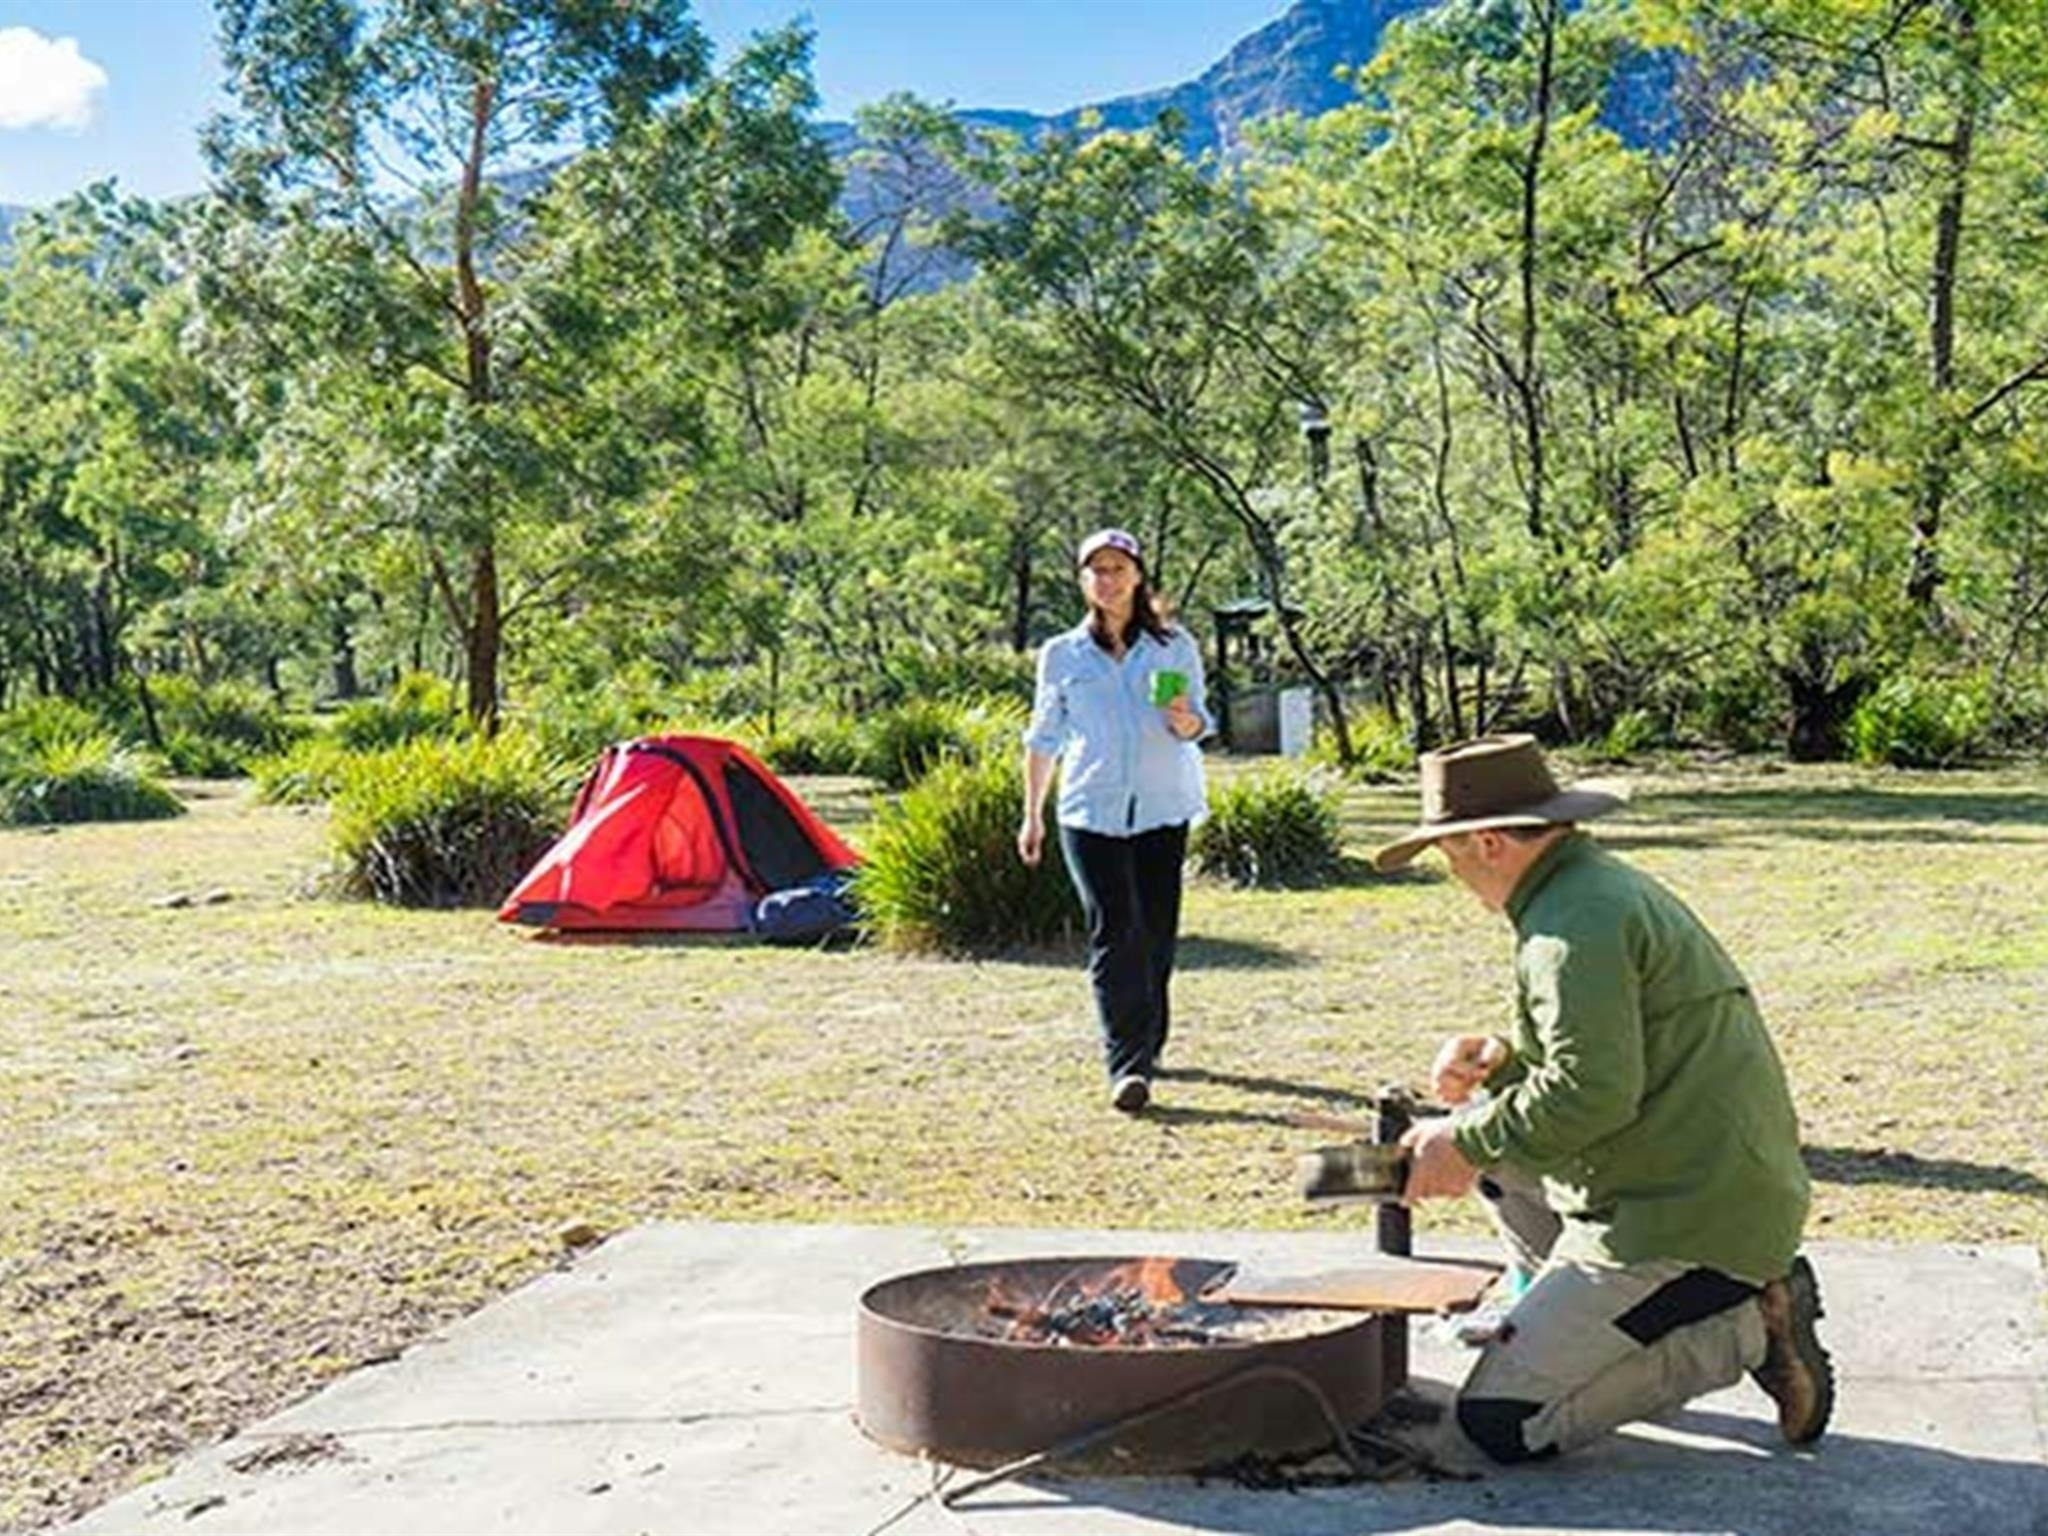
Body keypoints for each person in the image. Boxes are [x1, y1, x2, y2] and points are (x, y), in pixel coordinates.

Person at [1373, 734, 1834, 1463]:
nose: (1453, 874)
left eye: (1449, 854)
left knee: (1501, 1420)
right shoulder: (1580, 890)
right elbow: (1611, 1057)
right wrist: (1501, 1063)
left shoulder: (1570, 926)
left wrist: (1464, 1139)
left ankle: (1749, 1324)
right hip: (1678, 1172)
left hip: (1689, 1214)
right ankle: (1561, 1317)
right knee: (1487, 1146)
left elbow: (1592, 1095)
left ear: (1488, 842)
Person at [1018, 527, 1211, 1114]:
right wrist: (1032, 816)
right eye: (1096, 570)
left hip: (1161, 807)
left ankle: (1147, 1038)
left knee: (1154, 934)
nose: (1107, 579)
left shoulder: (1174, 646)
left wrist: (1181, 718)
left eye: (1117, 568)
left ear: (1137, 575)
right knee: (1114, 931)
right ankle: (1126, 1065)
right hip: (1089, 810)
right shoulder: (1061, 655)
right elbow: (1043, 737)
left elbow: (1200, 724)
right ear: (1083, 581)